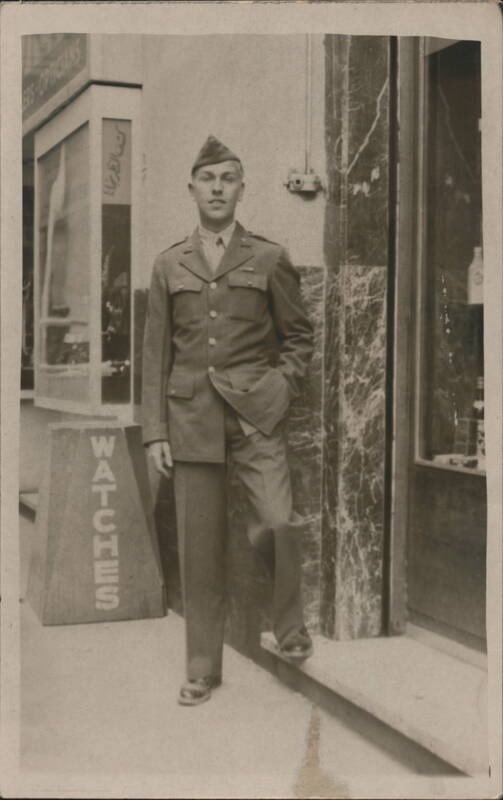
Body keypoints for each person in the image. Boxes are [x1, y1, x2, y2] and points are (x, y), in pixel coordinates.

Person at [142, 135, 314, 706]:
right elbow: (155, 354)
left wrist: (279, 390)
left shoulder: (268, 257)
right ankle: (201, 668)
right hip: (190, 423)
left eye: (228, 179)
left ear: (242, 189)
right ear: (191, 188)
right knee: (199, 551)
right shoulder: (169, 264)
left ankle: (289, 628)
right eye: (208, 179)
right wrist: (155, 432)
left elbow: (298, 337)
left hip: (256, 417)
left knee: (277, 522)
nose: (217, 189)